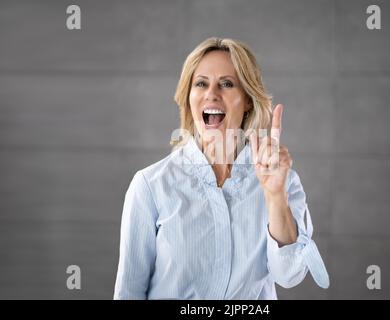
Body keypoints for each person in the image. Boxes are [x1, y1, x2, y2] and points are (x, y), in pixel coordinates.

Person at [113, 37, 329, 300]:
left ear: (248, 99)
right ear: (189, 96)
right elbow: (129, 293)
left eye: (227, 84)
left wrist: (275, 196)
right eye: (201, 83)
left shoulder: (283, 181)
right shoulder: (150, 185)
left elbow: (290, 275)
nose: (211, 94)